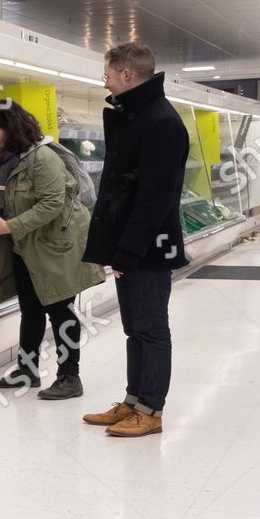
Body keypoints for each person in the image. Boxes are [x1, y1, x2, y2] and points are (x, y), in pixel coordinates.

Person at [81, 42, 189, 437]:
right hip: (130, 242)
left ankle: (151, 410)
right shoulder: (137, 115)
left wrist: (128, 248)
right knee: (134, 328)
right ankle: (132, 401)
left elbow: (156, 197)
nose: (104, 80)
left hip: (148, 245)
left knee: (151, 329)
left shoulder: (160, 121)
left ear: (127, 75)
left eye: (107, 74)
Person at [0, 100, 104, 399]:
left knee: (61, 310)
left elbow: (52, 203)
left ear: (10, 129)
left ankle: (70, 377)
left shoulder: (42, 158)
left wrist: (10, 227)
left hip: (55, 246)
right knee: (30, 310)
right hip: (24, 246)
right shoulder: (3, 161)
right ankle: (27, 370)